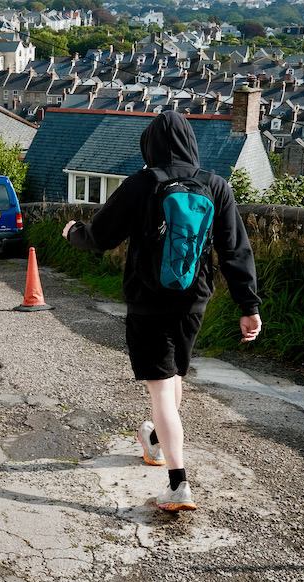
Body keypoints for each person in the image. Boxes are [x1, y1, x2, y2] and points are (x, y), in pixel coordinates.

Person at [61, 110, 262, 512]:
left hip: (148, 301)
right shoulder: (215, 186)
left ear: (149, 146)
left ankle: (178, 483)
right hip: (194, 300)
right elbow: (235, 250)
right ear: (191, 142)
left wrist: (73, 233)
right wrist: (249, 305)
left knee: (160, 389)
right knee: (172, 377)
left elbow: (101, 235)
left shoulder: (142, 183)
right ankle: (154, 441)